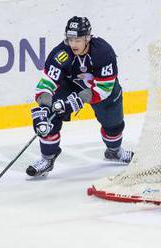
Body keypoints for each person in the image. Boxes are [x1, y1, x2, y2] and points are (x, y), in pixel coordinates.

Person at [26, 16, 134, 177]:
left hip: (101, 88)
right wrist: (44, 107)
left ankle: (114, 151)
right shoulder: (60, 54)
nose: (73, 44)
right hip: (69, 87)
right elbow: (46, 84)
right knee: (49, 113)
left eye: (77, 39)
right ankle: (47, 158)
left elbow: (104, 88)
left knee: (114, 124)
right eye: (70, 39)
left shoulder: (103, 52)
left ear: (87, 38)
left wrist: (77, 101)